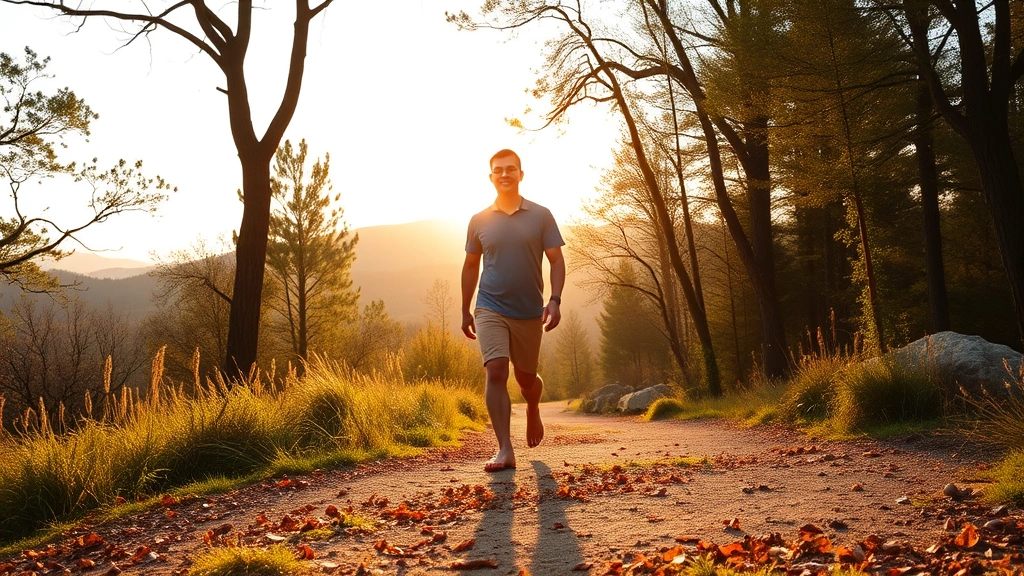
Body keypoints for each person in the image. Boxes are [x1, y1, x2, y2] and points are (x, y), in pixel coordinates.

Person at [461, 148, 566, 473]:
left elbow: (557, 260)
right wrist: (465, 309)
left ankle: (533, 406)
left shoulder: (541, 215)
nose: (504, 174)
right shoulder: (478, 220)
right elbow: (470, 266)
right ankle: (505, 448)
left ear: (521, 174)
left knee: (524, 378)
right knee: (496, 371)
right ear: (491, 177)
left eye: (510, 169)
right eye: (498, 170)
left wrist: (555, 299)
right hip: (489, 305)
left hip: (529, 311)